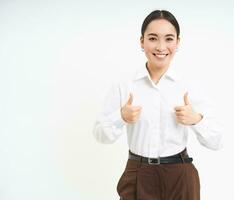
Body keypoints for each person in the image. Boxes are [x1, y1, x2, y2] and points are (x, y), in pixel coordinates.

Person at [93, 9, 223, 200]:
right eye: (153, 38)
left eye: (169, 39)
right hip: (138, 173)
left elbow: (217, 141)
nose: (161, 47)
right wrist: (120, 117)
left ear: (177, 43)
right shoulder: (124, 84)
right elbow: (100, 135)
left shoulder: (188, 85)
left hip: (180, 175)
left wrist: (196, 120)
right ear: (142, 42)